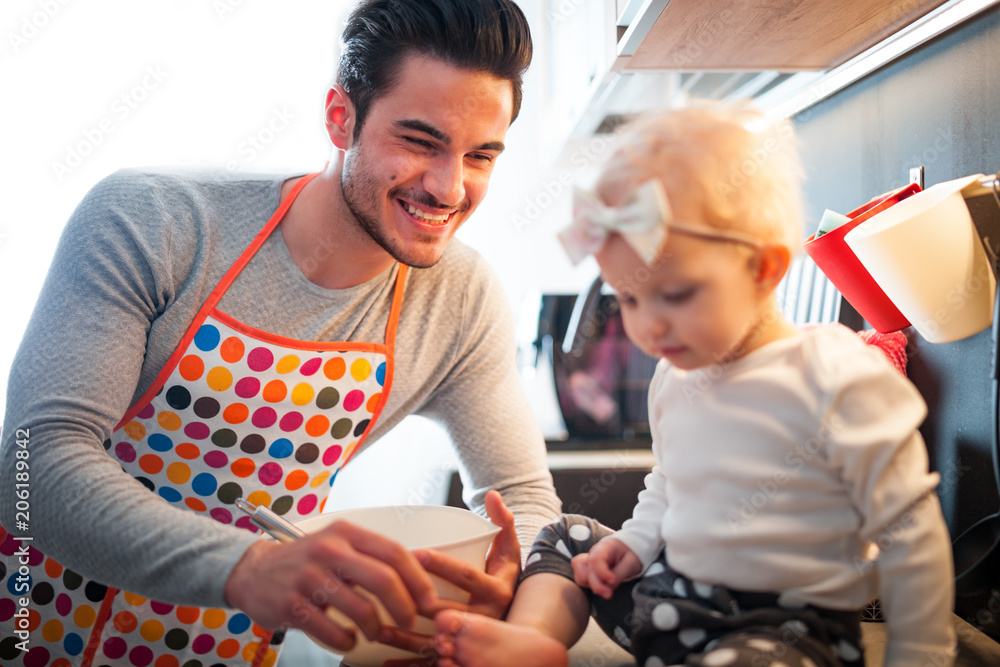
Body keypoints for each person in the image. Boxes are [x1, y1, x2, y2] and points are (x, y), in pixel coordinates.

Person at [0, 1, 562, 665]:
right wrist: (252, 567)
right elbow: (34, 463)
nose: (449, 187)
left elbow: (523, 497)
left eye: (481, 156)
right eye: (420, 141)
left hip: (225, 646)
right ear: (339, 116)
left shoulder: (460, 301)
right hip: (34, 621)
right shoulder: (155, 220)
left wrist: (521, 616)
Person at [433, 105, 957, 667]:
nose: (649, 326)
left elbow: (910, 530)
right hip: (670, 603)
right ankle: (534, 639)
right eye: (629, 298)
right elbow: (670, 484)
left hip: (782, 630)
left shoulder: (837, 375)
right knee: (565, 534)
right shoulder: (674, 374)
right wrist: (631, 546)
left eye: (676, 295)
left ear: (764, 269)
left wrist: (921, 653)